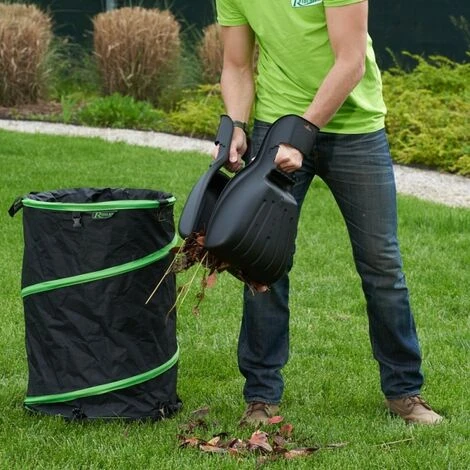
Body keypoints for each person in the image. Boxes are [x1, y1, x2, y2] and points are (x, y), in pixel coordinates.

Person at [214, 0, 443, 426]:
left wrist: (302, 135)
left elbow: (351, 62)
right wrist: (237, 126)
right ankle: (261, 396)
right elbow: (237, 64)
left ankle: (404, 391)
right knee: (261, 262)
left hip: (355, 131)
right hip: (277, 123)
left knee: (381, 262)